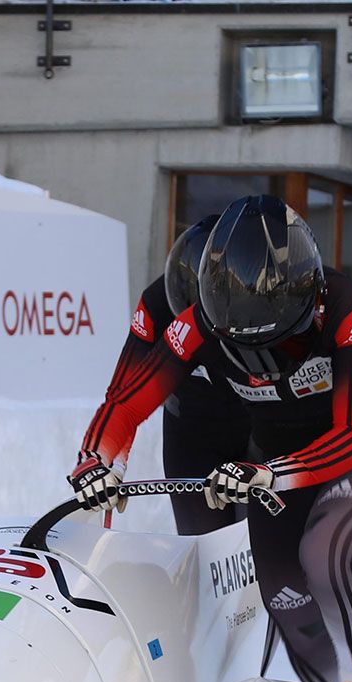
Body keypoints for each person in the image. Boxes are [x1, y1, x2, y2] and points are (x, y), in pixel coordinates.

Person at [69, 195, 352, 682]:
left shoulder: (349, 307)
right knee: (280, 592)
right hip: (256, 450)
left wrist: (270, 472)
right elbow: (128, 397)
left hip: (347, 457)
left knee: (325, 547)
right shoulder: (186, 318)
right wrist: (99, 457)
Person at [79, 215, 252, 535]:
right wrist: (108, 464)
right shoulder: (156, 305)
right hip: (192, 435)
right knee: (204, 548)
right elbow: (125, 395)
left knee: (261, 547)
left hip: (256, 434)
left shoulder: (252, 305)